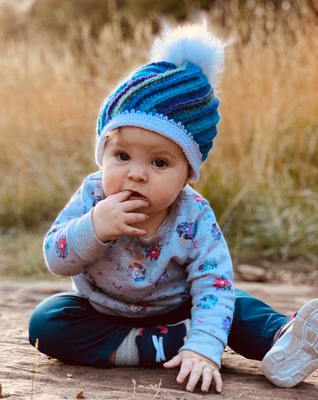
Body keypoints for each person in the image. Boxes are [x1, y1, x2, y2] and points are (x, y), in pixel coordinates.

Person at [28, 23, 318, 393]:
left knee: (229, 303)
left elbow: (213, 281)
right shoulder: (93, 197)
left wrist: (206, 342)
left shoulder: (192, 214)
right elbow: (56, 257)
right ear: (102, 154)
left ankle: (285, 338)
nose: (136, 174)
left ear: (187, 174)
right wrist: (95, 227)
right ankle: (170, 343)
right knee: (48, 322)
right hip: (102, 312)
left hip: (179, 307)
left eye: (159, 163)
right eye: (121, 155)